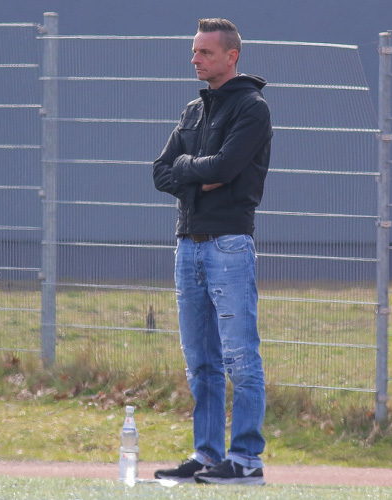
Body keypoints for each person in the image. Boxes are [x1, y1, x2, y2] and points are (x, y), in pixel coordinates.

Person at [152, 18, 272, 486]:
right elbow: (161, 172)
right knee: (200, 361)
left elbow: (226, 166)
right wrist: (196, 173)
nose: (195, 58)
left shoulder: (252, 109)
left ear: (231, 56)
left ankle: (245, 460)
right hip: (188, 245)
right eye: (194, 51)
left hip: (228, 246)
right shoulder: (193, 110)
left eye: (204, 52)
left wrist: (191, 172)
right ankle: (207, 456)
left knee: (241, 357)